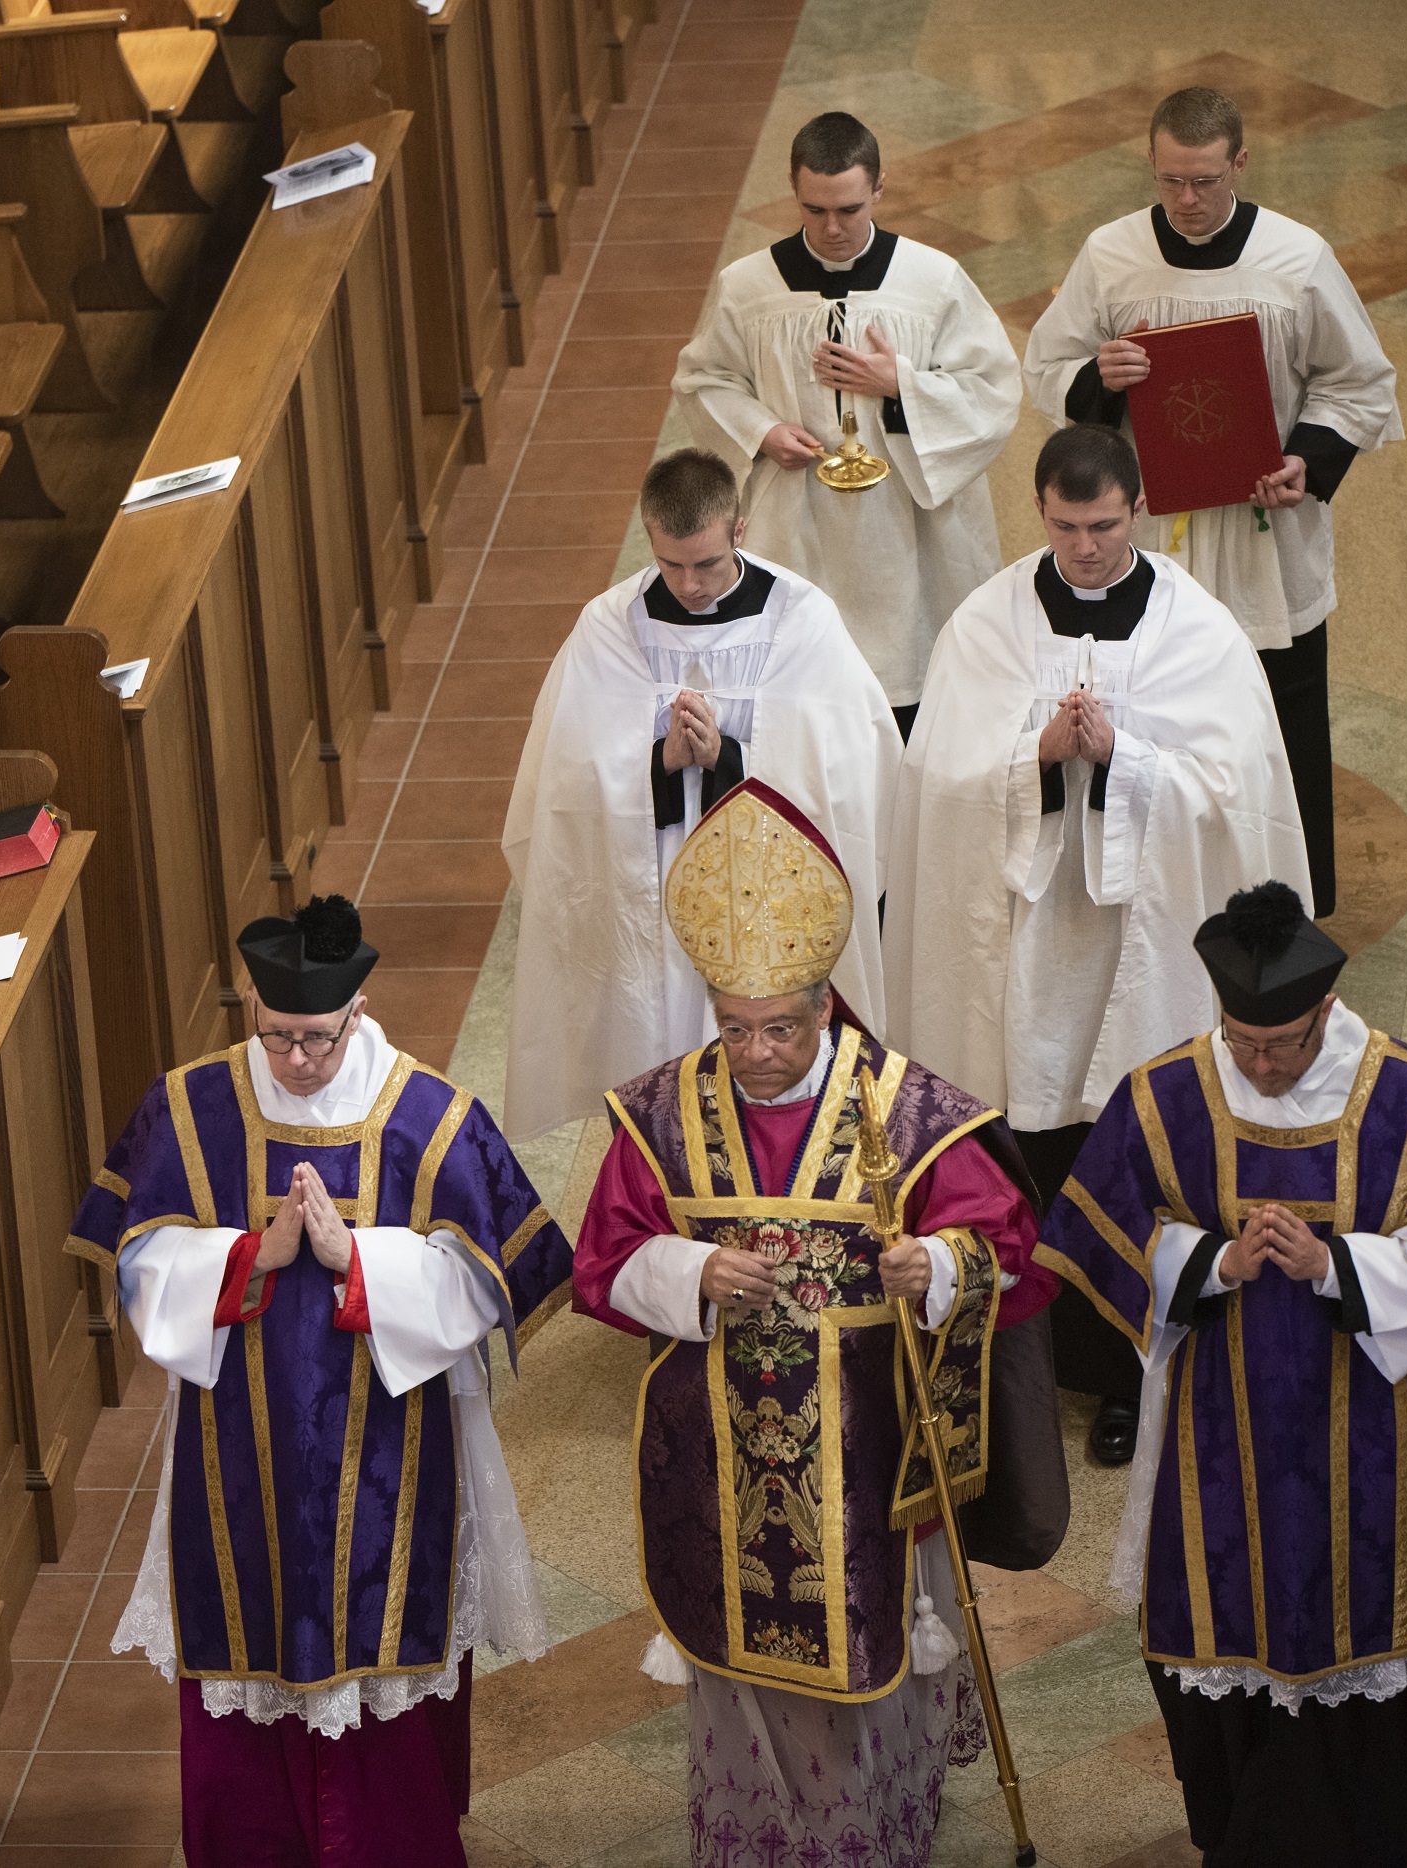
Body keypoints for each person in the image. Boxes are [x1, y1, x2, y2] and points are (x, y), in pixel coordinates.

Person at [571, 779, 1050, 1868]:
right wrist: (692, 1270)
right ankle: (760, 1834)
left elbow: (1008, 1247)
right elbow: (601, 1261)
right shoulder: (661, 1113)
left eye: (778, 1028)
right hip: (720, 1445)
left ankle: (869, 1826)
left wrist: (934, 1264)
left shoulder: (908, 1111)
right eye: (734, 1028)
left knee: (869, 1633)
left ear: (826, 1008)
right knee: (741, 1645)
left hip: (867, 1444)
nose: (753, 1052)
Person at [1037, 882, 1407, 1868]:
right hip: (1213, 1426)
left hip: (1370, 1425)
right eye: (1241, 1041)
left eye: (1280, 1044)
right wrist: (1213, 1262)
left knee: (1360, 1638)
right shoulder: (1169, 1095)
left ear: (1325, 1010)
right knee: (1218, 1632)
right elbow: (1100, 1235)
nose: (1259, 1065)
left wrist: (1334, 1265)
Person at [67, 896, 574, 1868]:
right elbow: (139, 1260)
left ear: (358, 1012)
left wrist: (358, 1260)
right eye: (277, 1036)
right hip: (234, 1443)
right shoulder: (192, 1107)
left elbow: (489, 1282)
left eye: (318, 1039)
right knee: (244, 1650)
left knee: (385, 1660)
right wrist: (249, 1256)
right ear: (252, 1008)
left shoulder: (429, 1117)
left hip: (393, 1445)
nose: (297, 1059)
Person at [883, 422, 1307, 1465]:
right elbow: (936, 784)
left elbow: (1235, 793)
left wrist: (1125, 760)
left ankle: (1127, 1372)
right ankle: (1024, 1359)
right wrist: (1033, 756)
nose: (1084, 547)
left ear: (1139, 509)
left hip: (1141, 944)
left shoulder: (1197, 630)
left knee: (1134, 1154)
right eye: (1066, 526)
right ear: (1039, 511)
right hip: (1022, 951)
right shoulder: (984, 624)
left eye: (1105, 526)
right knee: (1028, 1151)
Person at [1022, 84, 1402, 913]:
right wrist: (1099, 376)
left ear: (1241, 163)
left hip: (1266, 535)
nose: (1187, 201)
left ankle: (1286, 900)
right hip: (1153, 528)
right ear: (1150, 165)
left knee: (1276, 718)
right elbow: (1047, 367)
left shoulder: (1297, 259)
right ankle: (1160, 891)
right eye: (1170, 181)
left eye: (1205, 181)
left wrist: (1306, 460)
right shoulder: (1111, 255)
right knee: (1154, 709)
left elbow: (1359, 381)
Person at [500, 447, 901, 1141]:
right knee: (659, 1076)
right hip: (650, 883)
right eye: (671, 564)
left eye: (707, 563)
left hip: (768, 886)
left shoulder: (801, 619)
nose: (689, 584)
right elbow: (561, 782)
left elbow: (851, 770)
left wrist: (729, 759)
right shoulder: (611, 624)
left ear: (739, 530)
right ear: (649, 538)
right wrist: (659, 761)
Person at [672, 110, 1022, 737]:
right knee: (805, 702)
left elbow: (993, 392)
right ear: (792, 189)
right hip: (797, 522)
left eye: (849, 210)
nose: (832, 228)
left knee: (912, 696)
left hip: (907, 532)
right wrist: (761, 432)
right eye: (814, 210)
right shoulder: (748, 287)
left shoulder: (932, 280)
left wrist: (900, 386)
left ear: (879, 189)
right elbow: (703, 380)